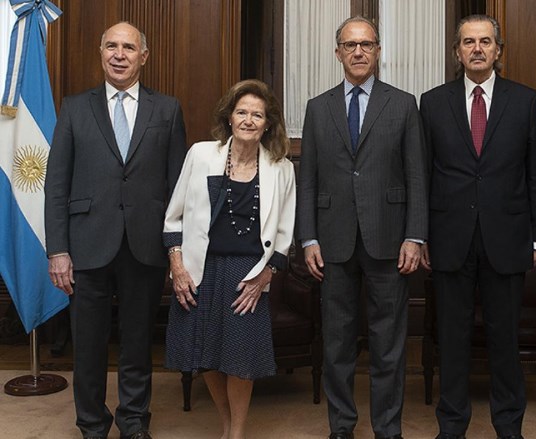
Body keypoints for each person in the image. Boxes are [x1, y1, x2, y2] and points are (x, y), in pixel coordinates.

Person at [44, 22, 187, 439]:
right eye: (111, 46)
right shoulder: (74, 107)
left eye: (128, 47)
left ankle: (134, 421)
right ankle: (91, 424)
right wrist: (58, 250)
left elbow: (178, 187)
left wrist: (175, 249)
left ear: (144, 56)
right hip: (86, 244)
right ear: (101, 52)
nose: (119, 55)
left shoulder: (167, 110)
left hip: (145, 244)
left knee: (138, 342)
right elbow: (56, 185)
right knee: (88, 345)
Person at [296, 16, 427, 439]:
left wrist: (415, 236)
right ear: (337, 52)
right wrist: (308, 237)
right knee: (337, 344)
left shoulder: (403, 104)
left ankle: (388, 428)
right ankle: (341, 427)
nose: (358, 52)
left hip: (389, 239)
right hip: (332, 241)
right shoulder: (318, 107)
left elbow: (416, 175)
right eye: (350, 45)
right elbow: (308, 178)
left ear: (378, 51)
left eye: (366, 44)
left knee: (388, 345)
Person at [419, 14, 536, 439]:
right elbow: (423, 174)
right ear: (457, 52)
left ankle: (509, 426)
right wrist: (422, 235)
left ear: (498, 50)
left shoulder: (525, 100)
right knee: (452, 339)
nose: (477, 48)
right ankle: (451, 426)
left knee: (504, 339)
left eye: (485, 41)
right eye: (469, 42)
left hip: (507, 237)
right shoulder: (432, 103)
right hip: (449, 238)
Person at [162, 79, 295, 439]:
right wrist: (177, 266)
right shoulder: (201, 155)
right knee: (206, 355)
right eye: (242, 112)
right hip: (200, 270)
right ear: (229, 117)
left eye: (257, 115)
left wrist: (265, 276)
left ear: (268, 124)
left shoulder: (281, 168)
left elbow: (285, 233)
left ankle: (236, 432)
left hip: (247, 276)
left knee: (240, 361)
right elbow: (173, 218)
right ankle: (225, 425)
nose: (249, 120)